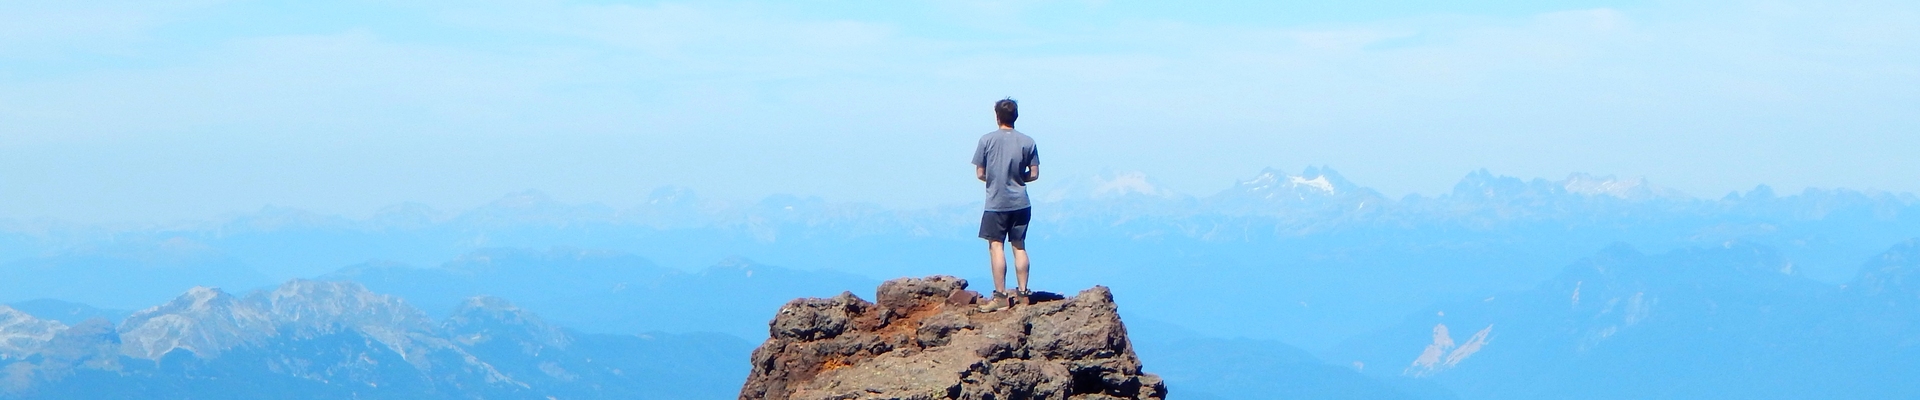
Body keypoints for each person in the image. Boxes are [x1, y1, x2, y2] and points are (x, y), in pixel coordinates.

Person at [972, 98, 1039, 312]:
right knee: (1019, 246)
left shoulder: (986, 140)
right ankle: (1023, 293)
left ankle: (1001, 296)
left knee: (996, 245)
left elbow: (980, 173)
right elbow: (1034, 174)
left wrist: (994, 180)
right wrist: (1019, 179)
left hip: (996, 202)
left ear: (997, 116)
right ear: (1015, 116)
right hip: (1021, 202)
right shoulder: (1028, 142)